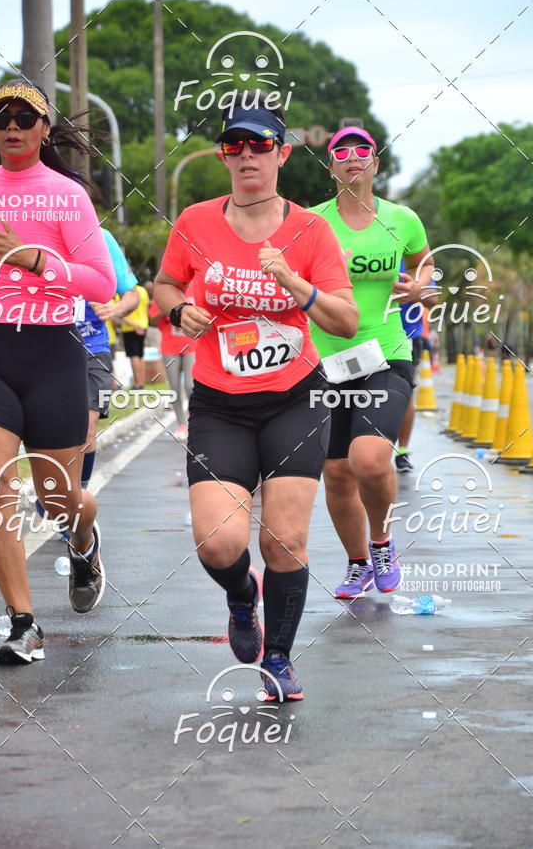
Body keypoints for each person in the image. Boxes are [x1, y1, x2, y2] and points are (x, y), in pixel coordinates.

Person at [154, 94, 357, 700]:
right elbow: (165, 284)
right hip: (219, 399)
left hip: (295, 395)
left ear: (282, 154)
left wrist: (295, 285)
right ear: (223, 155)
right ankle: (244, 601)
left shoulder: (311, 230)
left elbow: (345, 321)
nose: (247, 155)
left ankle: (280, 658)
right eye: (235, 145)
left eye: (260, 144)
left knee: (284, 538)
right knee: (220, 542)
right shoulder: (194, 221)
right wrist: (180, 308)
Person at [0, 80, 116, 664]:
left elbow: (101, 282)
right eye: (1, 116)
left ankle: (84, 537)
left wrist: (35, 257)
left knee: (58, 497)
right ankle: (25, 623)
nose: (12, 126)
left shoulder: (67, 196)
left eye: (25, 117)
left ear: (44, 129)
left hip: (52, 352)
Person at [309, 126, 433, 600]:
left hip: (386, 353)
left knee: (369, 459)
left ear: (376, 163)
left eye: (363, 151)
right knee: (337, 472)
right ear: (332, 166)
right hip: (325, 361)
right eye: (342, 152)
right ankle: (358, 563)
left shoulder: (402, 219)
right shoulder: (312, 222)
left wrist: (422, 286)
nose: (353, 157)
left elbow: (426, 262)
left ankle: (382, 543)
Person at [73, 229, 139, 487]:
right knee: (51, 433)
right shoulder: (37, 233)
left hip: (93, 348)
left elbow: (131, 295)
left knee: (87, 429)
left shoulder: (101, 237)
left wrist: (115, 308)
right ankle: (55, 495)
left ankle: (78, 499)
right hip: (48, 349)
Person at [395, 260, 437, 472]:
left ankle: (402, 451)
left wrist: (412, 290)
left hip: (407, 337)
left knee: (405, 394)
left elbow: (435, 299)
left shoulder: (414, 260)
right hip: (361, 335)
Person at [148, 290, 195, 439]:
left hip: (192, 344)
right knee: (174, 386)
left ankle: (194, 419)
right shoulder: (163, 289)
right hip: (170, 347)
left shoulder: (195, 286)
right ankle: (182, 424)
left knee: (190, 385)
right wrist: (167, 308)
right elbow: (152, 321)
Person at [120, 282, 150, 388]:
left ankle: (137, 383)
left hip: (130, 327)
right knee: (141, 354)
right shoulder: (142, 290)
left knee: (134, 355)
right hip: (143, 325)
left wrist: (135, 326)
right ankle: (141, 382)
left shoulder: (122, 292)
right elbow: (146, 309)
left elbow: (119, 313)